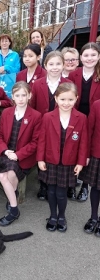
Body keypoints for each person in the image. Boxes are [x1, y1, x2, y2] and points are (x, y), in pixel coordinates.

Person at [37, 83, 88, 232]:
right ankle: (53, 216)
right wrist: (40, 159)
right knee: (51, 191)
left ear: (76, 99)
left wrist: (80, 162)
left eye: (70, 100)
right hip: (50, 161)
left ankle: (62, 216)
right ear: (56, 99)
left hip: (69, 163)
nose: (66, 103)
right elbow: (42, 139)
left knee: (61, 192)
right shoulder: (47, 117)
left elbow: (84, 143)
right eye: (63, 99)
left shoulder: (82, 118)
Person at [0, 82, 41, 226]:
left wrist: (18, 155)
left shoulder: (36, 116)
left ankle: (12, 202)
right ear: (12, 97)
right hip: (6, 155)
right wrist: (5, 150)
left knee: (6, 175)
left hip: (23, 158)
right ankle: (14, 208)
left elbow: (35, 142)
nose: (20, 98)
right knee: (5, 175)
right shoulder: (7, 113)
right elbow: (0, 136)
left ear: (29, 96)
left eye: (23, 95)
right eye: (17, 95)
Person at [31, 51, 71, 200]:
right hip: (42, 125)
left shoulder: (68, 83)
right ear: (45, 65)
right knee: (42, 153)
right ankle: (43, 184)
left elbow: (73, 105)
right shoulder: (37, 84)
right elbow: (33, 107)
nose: (55, 67)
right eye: (51, 64)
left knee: (58, 152)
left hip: (62, 126)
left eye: (58, 64)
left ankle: (59, 182)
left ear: (63, 65)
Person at [68, 42, 100, 202]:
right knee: (73, 148)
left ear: (98, 57)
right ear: (80, 57)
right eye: (86, 55)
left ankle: (85, 186)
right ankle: (72, 183)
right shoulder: (74, 75)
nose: (89, 58)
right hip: (76, 117)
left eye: (93, 55)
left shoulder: (99, 74)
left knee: (87, 151)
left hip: (94, 118)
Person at [60, 47, 80, 200]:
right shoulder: (58, 76)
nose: (70, 62)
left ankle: (72, 185)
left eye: (73, 59)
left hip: (78, 118)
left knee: (74, 151)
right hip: (60, 118)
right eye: (67, 59)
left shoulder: (79, 76)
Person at [81, 100, 100, 237]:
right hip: (97, 153)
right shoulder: (97, 105)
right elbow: (89, 131)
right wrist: (86, 154)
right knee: (95, 187)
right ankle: (94, 217)